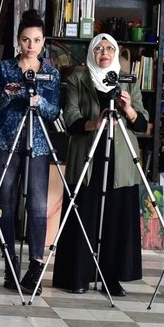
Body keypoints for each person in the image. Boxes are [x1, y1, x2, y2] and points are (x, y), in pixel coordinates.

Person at [52, 33, 147, 296]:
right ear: (91, 53)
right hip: (88, 155)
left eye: (109, 48)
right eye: (98, 48)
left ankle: (111, 277)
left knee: (115, 217)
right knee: (84, 213)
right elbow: (70, 116)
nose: (104, 53)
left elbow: (141, 122)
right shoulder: (78, 79)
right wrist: (94, 123)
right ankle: (77, 275)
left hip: (121, 158)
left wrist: (128, 109)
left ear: (115, 52)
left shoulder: (128, 80)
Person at [0, 9, 60, 295]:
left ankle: (36, 265)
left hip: (38, 144)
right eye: (26, 39)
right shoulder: (5, 68)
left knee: (37, 205)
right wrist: (8, 93)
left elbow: (54, 113)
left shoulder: (51, 73)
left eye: (37, 40)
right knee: (5, 202)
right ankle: (9, 263)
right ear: (18, 40)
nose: (31, 45)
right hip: (5, 142)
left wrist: (39, 101)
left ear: (43, 42)